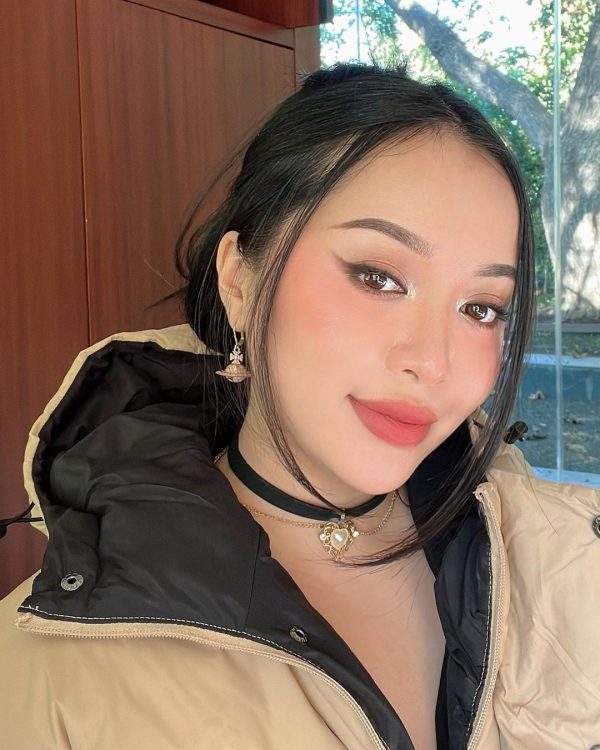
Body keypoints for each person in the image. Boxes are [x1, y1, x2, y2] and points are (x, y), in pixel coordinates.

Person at [1, 62, 599, 750]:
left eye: (481, 308)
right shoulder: (54, 671)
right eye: (379, 277)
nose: (432, 362)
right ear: (240, 280)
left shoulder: (563, 566)